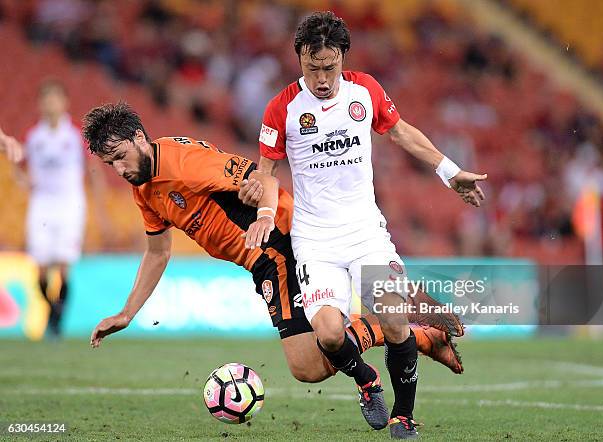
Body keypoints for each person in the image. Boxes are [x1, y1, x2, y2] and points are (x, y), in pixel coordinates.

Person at [80, 103, 463, 388]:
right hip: (260, 261)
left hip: (280, 242)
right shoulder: (144, 189)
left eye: (120, 157)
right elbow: (158, 252)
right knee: (309, 367)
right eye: (109, 164)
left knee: (310, 363)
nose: (119, 170)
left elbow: (264, 179)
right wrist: (127, 313)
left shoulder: (184, 163)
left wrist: (262, 213)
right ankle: (412, 331)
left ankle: (398, 328)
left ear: (137, 138)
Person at [242, 11, 487, 438]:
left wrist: (451, 172)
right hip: (315, 240)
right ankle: (366, 379)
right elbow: (266, 171)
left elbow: (403, 133)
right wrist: (264, 213)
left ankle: (404, 415)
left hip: (365, 233)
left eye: (330, 67)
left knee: (394, 319)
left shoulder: (365, 90)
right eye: (312, 67)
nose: (321, 78)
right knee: (330, 334)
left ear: (343, 58)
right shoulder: (282, 107)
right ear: (299, 58)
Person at [0, 80, 106, 338]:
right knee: (40, 267)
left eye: (55, 98)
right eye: (46, 99)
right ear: (40, 104)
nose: (51, 104)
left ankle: (57, 319)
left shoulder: (76, 134)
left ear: (64, 103)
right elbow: (18, 162)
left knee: (63, 264)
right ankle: (53, 308)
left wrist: (100, 207)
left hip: (70, 203)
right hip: (42, 204)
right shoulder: (34, 136)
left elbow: (94, 171)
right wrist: (20, 178)